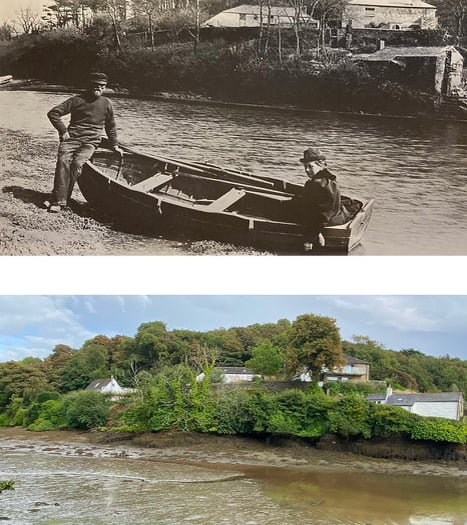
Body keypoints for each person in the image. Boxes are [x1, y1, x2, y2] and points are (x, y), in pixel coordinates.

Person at [46, 72, 123, 212]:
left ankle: (58, 197)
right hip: (72, 139)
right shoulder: (76, 100)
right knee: (63, 160)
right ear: (89, 85)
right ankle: (59, 201)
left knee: (77, 164)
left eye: (102, 86)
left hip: (91, 142)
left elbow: (110, 126)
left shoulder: (107, 103)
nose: (99, 88)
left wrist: (115, 145)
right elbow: (53, 113)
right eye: (96, 85)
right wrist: (63, 131)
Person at [296, 147, 358, 252]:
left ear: (320, 166)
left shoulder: (321, 184)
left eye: (310, 167)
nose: (307, 170)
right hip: (328, 215)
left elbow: (322, 216)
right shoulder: (323, 179)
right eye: (305, 167)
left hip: (329, 220)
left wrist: (310, 238)